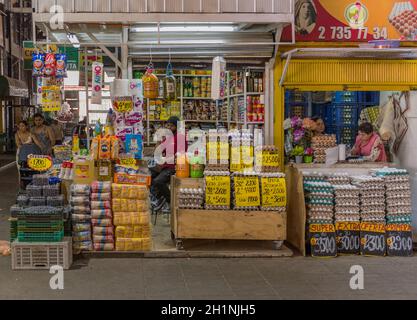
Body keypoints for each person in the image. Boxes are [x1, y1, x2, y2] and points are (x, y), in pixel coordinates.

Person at [150, 116, 185, 211]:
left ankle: (171, 202)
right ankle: (159, 198)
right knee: (147, 174)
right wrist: (158, 140)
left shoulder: (180, 137)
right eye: (168, 125)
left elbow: (180, 155)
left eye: (171, 126)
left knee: (158, 181)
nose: (169, 127)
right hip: (165, 166)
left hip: (174, 167)